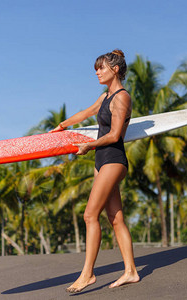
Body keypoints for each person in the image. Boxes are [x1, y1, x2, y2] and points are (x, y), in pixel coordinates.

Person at [50, 49, 140, 293]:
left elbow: (114, 135)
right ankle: (131, 271)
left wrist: (89, 145)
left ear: (116, 69)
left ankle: (87, 274)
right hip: (102, 161)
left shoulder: (122, 98)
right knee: (115, 218)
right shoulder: (105, 97)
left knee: (90, 215)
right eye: (96, 69)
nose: (97, 72)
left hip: (113, 158)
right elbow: (87, 113)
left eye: (101, 68)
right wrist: (61, 126)